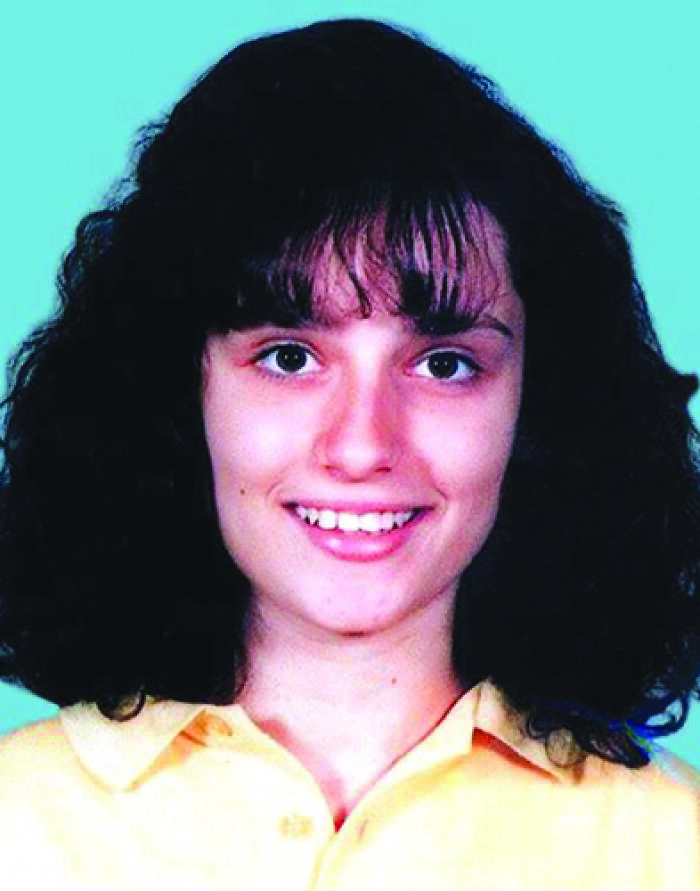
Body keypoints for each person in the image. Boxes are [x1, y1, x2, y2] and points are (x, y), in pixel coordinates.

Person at [0, 17, 698, 889]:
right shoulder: (15, 819)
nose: (364, 444)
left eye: (446, 364)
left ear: (541, 406)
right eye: (289, 356)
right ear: (178, 392)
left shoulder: (674, 844)